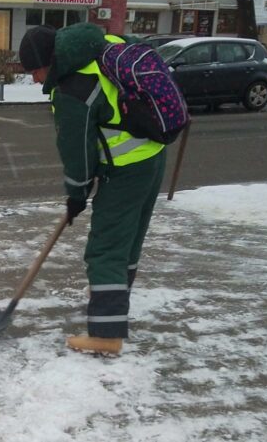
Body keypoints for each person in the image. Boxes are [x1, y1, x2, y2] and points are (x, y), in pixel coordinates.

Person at [19, 23, 167, 356]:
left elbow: (78, 154)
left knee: (105, 250)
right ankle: (111, 300)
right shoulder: (106, 44)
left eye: (35, 71)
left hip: (125, 169)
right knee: (127, 240)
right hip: (153, 156)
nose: (35, 79)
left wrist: (76, 194)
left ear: (48, 62)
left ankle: (105, 334)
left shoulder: (72, 88)